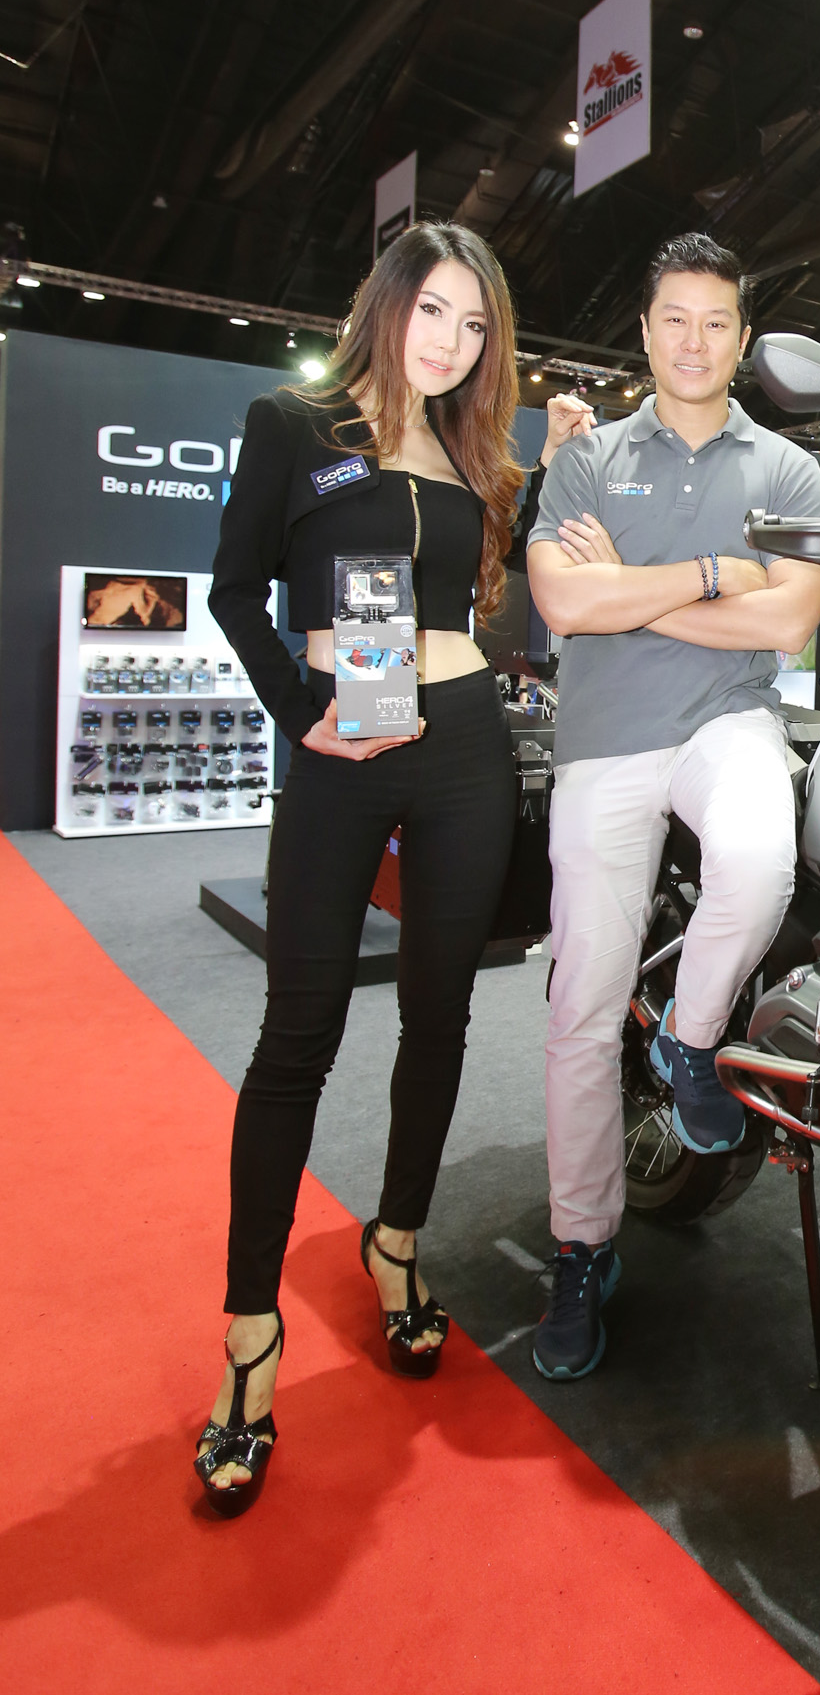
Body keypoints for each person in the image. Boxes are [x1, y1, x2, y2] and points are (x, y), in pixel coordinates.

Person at [192, 222, 591, 1515]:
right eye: (435, 312)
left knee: (441, 1013)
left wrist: (552, 470)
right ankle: (251, 1334)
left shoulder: (471, 452)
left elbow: (489, 602)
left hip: (465, 740)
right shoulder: (293, 424)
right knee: (296, 1033)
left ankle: (398, 1239)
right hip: (343, 743)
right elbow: (233, 591)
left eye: (476, 326)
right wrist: (298, 710)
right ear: (388, 303)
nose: (452, 342)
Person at [525, 232, 820, 1382]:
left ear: (741, 339)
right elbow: (561, 601)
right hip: (605, 738)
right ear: (645, 332)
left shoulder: (789, 472)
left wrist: (627, 592)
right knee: (583, 1004)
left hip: (727, 719)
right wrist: (711, 576)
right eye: (675, 320)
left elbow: (786, 623)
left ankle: (692, 1038)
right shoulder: (588, 459)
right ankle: (581, 1244)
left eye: (716, 323)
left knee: (760, 858)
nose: (695, 342)